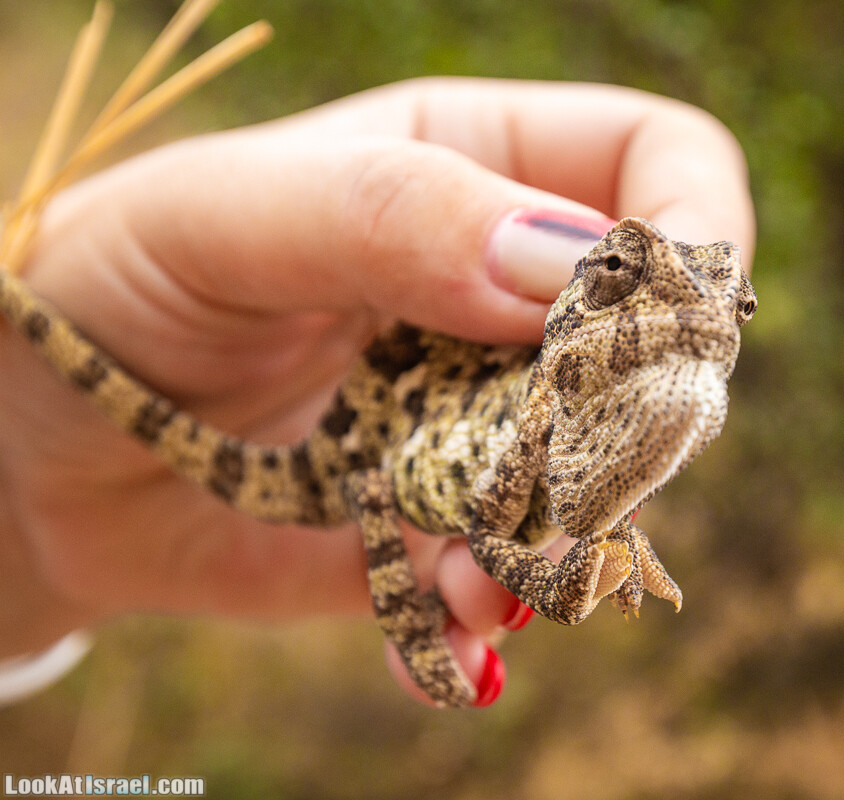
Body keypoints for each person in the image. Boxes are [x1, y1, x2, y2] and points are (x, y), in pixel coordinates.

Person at [0, 77, 755, 707]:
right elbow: (491, 537)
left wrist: (34, 542)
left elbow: (595, 485)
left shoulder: (623, 408)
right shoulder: (550, 396)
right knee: (390, 510)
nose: (701, 319)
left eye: (735, 306)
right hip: (376, 463)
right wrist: (559, 587)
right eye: (621, 272)